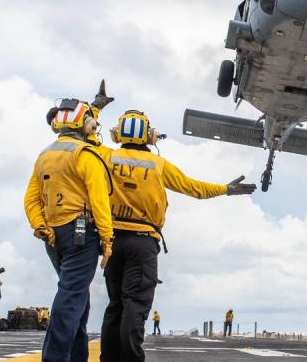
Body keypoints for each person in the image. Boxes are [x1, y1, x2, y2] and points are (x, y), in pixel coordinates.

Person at [100, 110, 256, 362]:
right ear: (149, 136)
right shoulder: (158, 165)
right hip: (142, 241)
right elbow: (193, 188)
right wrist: (226, 189)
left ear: (117, 134)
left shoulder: (105, 157)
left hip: (111, 242)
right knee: (135, 305)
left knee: (115, 306)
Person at [24, 95, 115, 362]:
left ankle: (77, 357)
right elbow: (99, 200)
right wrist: (107, 238)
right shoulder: (85, 155)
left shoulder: (45, 156)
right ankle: (54, 358)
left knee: (78, 299)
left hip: (53, 236)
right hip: (81, 235)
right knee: (71, 298)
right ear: (85, 125)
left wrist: (40, 225)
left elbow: (30, 199)